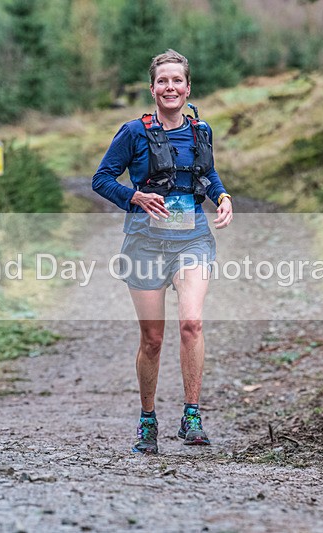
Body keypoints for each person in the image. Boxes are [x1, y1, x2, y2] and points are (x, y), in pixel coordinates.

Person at [92, 49, 233, 454]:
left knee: (192, 323)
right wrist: (134, 196)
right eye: (162, 81)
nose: (170, 87)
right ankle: (148, 419)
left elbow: (207, 174)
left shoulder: (200, 130)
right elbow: (101, 179)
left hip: (192, 238)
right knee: (152, 338)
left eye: (177, 81)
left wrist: (222, 196)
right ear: (153, 89)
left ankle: (192, 415)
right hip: (145, 242)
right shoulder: (133, 132)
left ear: (188, 88)